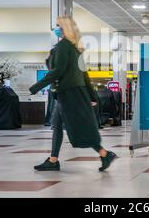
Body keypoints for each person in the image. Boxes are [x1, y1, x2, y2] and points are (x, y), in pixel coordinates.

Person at [29, 16, 117, 172]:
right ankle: (53, 160)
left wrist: (36, 86)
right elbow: (85, 76)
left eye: (58, 26)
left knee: (80, 127)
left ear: (64, 28)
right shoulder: (76, 49)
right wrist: (92, 96)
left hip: (69, 93)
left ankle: (104, 153)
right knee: (57, 125)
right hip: (70, 93)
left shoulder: (64, 47)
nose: (55, 28)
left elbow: (58, 71)